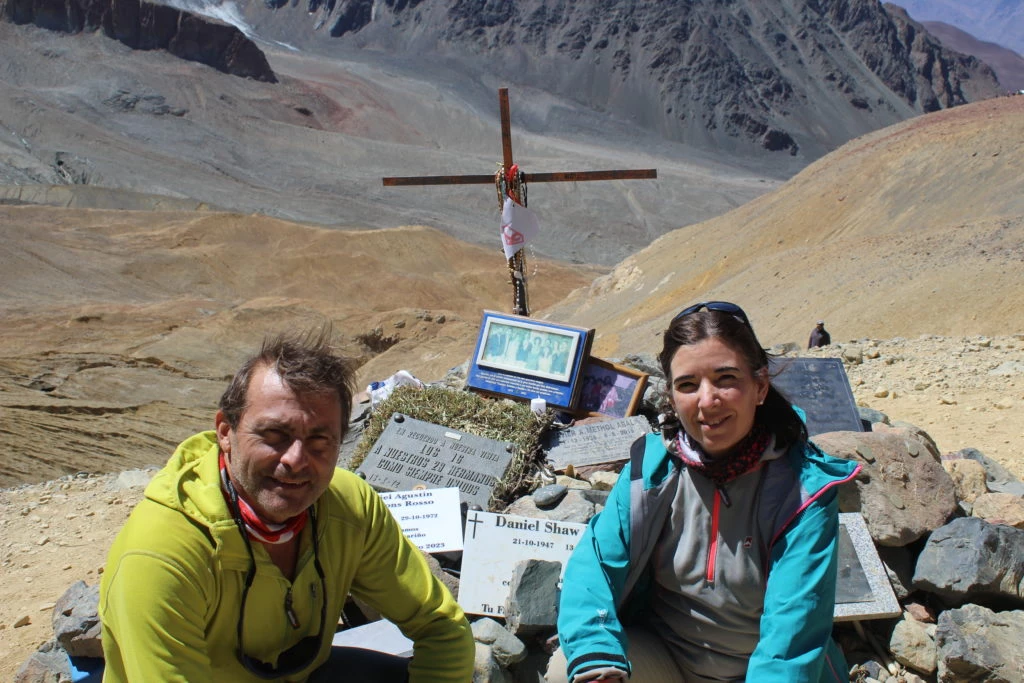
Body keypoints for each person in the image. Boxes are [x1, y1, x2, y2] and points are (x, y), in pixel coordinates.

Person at [99, 329, 475, 682]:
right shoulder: (162, 555)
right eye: (275, 435)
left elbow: (442, 628)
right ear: (226, 432)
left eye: (319, 440)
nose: (296, 459)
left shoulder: (349, 507)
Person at [552, 302, 860, 683]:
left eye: (726, 378)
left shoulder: (802, 490)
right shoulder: (652, 469)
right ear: (672, 396)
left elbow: (791, 638)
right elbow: (595, 562)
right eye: (687, 385)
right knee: (571, 669)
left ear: (760, 386)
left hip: (762, 670)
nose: (706, 400)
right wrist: (595, 652)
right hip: (670, 659)